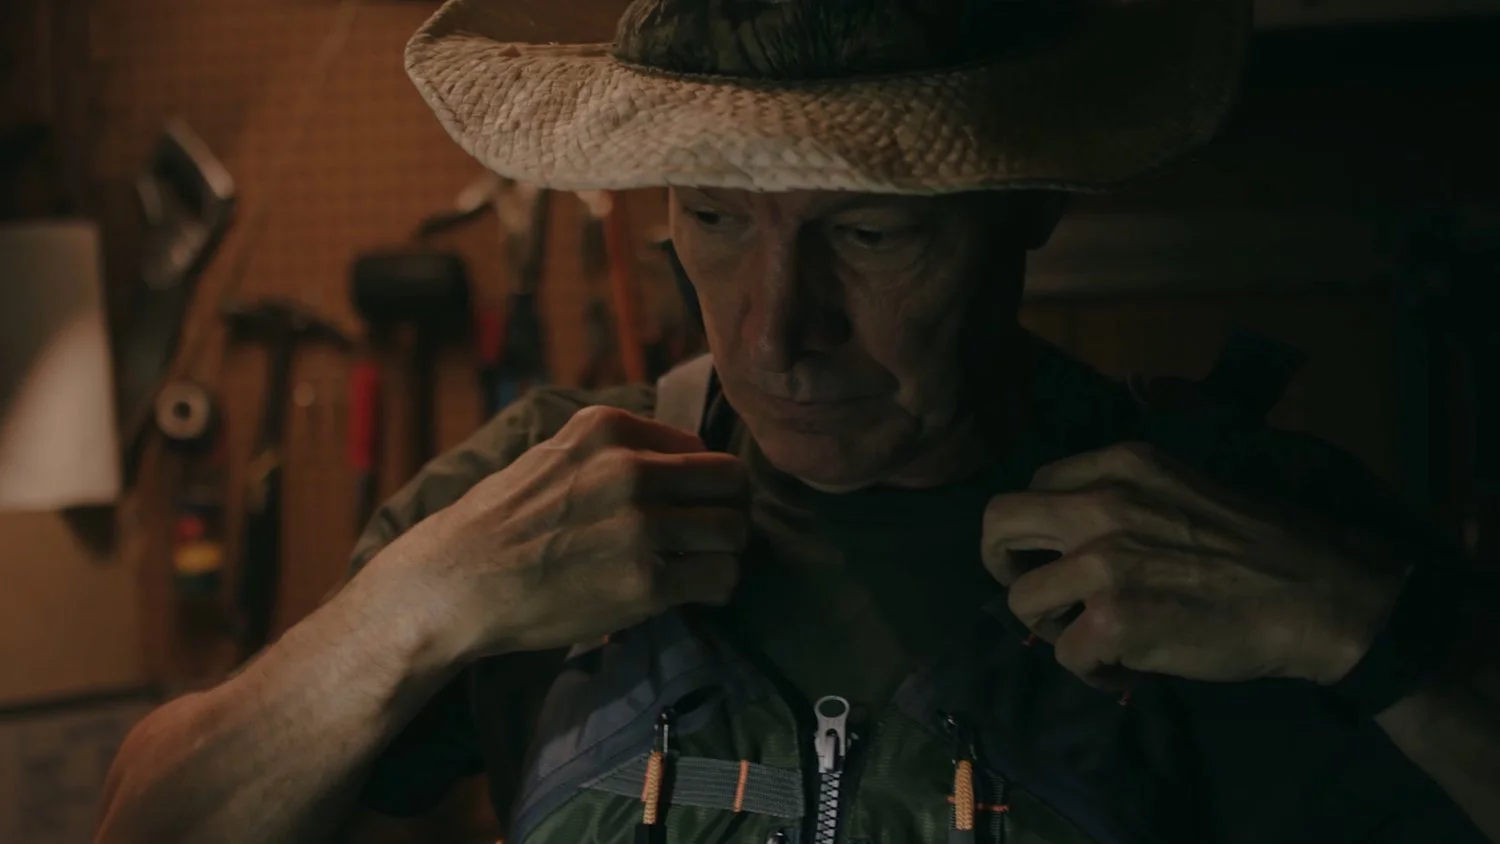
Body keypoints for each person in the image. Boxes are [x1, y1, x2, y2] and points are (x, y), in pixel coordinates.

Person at [95, 1, 1500, 843]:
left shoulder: (1238, 530)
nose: (779, 329)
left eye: (873, 233)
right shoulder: (538, 493)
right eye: (712, 219)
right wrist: (411, 616)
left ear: (1029, 207)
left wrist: (1370, 639)